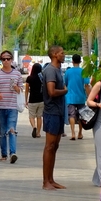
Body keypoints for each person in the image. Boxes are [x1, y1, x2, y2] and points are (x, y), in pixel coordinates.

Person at [41, 45, 68, 189]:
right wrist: (65, 91)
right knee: (49, 146)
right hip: (51, 112)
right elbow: (51, 92)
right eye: (62, 53)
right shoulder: (51, 70)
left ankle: (51, 179)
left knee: (55, 146)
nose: (64, 55)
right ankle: (46, 181)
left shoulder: (57, 70)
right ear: (55, 54)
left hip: (58, 112)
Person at [0, 50, 23, 163]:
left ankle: (13, 153)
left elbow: (20, 90)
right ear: (1, 60)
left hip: (13, 106)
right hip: (0, 106)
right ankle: (4, 154)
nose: (6, 61)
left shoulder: (17, 74)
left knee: (12, 130)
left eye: (8, 58)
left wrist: (16, 88)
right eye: (3, 59)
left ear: (12, 60)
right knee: (3, 132)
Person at [65, 53, 88, 140]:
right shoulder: (83, 71)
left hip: (70, 97)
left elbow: (65, 84)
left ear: (72, 61)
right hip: (81, 97)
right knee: (81, 115)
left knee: (71, 115)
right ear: (80, 61)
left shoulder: (68, 72)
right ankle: (80, 133)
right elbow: (86, 85)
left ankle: (73, 133)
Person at [25, 62, 44, 138]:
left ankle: (34, 127)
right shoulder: (42, 78)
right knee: (39, 117)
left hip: (32, 99)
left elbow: (26, 90)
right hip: (41, 100)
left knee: (31, 116)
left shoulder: (29, 78)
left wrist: (26, 100)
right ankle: (38, 133)